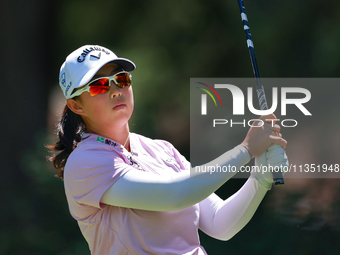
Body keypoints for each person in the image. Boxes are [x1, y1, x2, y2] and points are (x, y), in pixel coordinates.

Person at [48, 45, 288, 255]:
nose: (115, 90)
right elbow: (175, 194)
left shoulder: (161, 149)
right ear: (76, 105)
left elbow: (219, 223)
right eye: (99, 86)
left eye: (121, 79)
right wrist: (246, 149)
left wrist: (260, 178)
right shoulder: (85, 161)